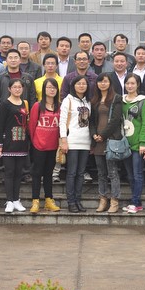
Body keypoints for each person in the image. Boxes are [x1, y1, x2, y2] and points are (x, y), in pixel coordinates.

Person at [0, 78, 31, 213]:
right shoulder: (5, 104)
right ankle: (9, 201)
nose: (17, 89)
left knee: (18, 173)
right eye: (14, 87)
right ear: (9, 89)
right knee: (9, 172)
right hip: (8, 143)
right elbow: (0, 125)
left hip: (22, 143)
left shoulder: (24, 103)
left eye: (19, 87)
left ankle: (16, 200)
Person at [89, 73, 123, 213]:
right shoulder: (94, 100)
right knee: (101, 173)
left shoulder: (116, 98)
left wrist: (102, 135)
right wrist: (94, 135)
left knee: (112, 172)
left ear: (110, 83)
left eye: (105, 81)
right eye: (100, 81)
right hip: (98, 142)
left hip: (110, 140)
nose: (103, 84)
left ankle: (114, 200)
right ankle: (103, 199)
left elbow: (115, 120)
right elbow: (91, 121)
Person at [28, 78, 62, 213]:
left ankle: (49, 200)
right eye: (49, 87)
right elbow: (31, 126)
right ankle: (35, 201)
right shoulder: (37, 106)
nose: (51, 90)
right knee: (37, 173)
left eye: (54, 87)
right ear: (44, 89)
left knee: (49, 173)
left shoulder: (60, 106)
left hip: (53, 146)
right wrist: (34, 142)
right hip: (39, 145)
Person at [59, 75, 92, 213]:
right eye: (78, 83)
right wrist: (64, 140)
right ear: (73, 85)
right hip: (72, 141)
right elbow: (62, 121)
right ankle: (71, 201)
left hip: (85, 141)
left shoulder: (88, 101)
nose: (81, 86)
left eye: (84, 83)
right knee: (72, 173)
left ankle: (78, 200)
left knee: (80, 173)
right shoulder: (68, 100)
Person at [122, 73, 145, 214]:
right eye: (127, 83)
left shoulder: (143, 101)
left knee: (137, 174)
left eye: (133, 83)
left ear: (138, 85)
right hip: (124, 143)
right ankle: (137, 203)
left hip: (138, 144)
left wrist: (143, 142)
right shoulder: (121, 100)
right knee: (130, 175)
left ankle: (134, 202)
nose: (130, 86)